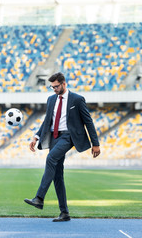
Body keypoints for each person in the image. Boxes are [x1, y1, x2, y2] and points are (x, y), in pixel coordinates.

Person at [24, 72, 100, 222]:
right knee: (57, 176)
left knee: (50, 158)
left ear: (64, 84)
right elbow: (47, 121)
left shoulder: (77, 99)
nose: (54, 89)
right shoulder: (51, 99)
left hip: (68, 136)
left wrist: (95, 143)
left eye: (56, 86)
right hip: (53, 137)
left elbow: (88, 121)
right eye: (52, 87)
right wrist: (36, 136)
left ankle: (39, 198)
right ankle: (64, 213)